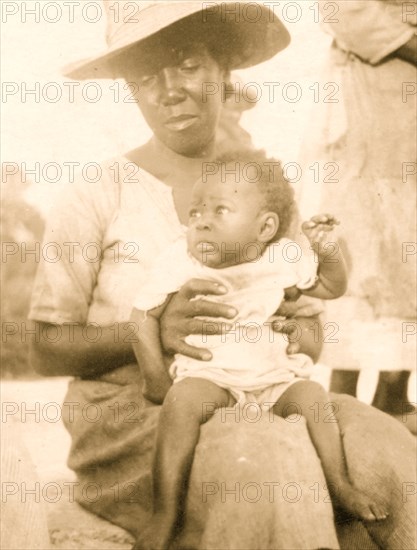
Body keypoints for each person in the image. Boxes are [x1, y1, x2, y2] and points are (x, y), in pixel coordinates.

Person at [28, 2, 415, 549]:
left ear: (223, 72)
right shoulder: (98, 191)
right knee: (269, 464)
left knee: (387, 448)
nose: (168, 90)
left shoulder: (264, 193)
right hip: (142, 417)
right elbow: (43, 345)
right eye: (145, 77)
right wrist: (149, 334)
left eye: (187, 64)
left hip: (263, 385)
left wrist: (301, 332)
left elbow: (307, 318)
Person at [131, 152, 389, 548]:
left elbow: (330, 288)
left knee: (313, 397)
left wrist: (326, 250)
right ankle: (166, 510)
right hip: (210, 374)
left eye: (221, 209)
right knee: (181, 405)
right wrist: (154, 377)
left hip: (275, 377)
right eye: (196, 211)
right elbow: (141, 315)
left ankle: (339, 483)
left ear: (265, 227)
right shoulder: (179, 259)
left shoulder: (282, 258)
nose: (201, 220)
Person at [299, 0, 417, 433]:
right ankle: (341, 393)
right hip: (373, 81)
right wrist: (407, 42)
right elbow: (341, 7)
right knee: (360, 230)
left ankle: (394, 390)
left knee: (409, 242)